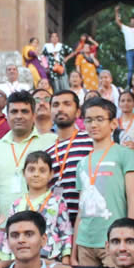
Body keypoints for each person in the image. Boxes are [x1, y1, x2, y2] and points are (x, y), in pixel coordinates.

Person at [73, 98, 134, 267]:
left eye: (99, 119)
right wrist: (74, 248)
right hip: (85, 241)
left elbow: (133, 199)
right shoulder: (82, 163)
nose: (93, 124)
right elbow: (81, 209)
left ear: (112, 124)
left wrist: (133, 237)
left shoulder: (126, 154)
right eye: (88, 120)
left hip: (116, 240)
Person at [0, 90, 54, 215]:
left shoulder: (51, 141)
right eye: (14, 112)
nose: (19, 116)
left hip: (43, 224)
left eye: (24, 111)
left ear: (33, 115)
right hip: (6, 228)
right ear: (7, 116)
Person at [5, 150, 73, 265]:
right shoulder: (16, 204)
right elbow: (10, 234)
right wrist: (8, 261)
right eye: (31, 170)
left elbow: (65, 232)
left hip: (51, 259)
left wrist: (66, 260)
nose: (36, 174)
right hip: (22, 260)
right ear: (23, 173)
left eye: (42, 170)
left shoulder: (57, 201)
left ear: (51, 174)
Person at [48, 90, 94, 223]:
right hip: (58, 225)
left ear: (78, 112)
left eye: (67, 104)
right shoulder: (48, 152)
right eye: (55, 105)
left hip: (87, 223)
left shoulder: (91, 141)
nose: (60, 109)